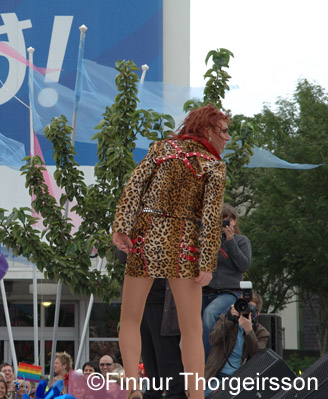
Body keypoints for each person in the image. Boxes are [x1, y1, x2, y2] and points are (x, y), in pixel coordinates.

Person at [113, 104, 230, 399]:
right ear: (207, 130)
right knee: (191, 329)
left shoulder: (161, 148)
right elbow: (211, 217)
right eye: (224, 131)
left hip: (147, 235)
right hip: (183, 242)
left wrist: (121, 226)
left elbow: (134, 185)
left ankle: (133, 390)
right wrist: (206, 261)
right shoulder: (214, 166)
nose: (227, 138)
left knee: (129, 319)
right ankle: (196, 396)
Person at [202, 203, 252, 359]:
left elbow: (243, 265)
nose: (225, 225)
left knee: (210, 314)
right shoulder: (210, 241)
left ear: (235, 221)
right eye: (221, 221)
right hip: (207, 290)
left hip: (230, 291)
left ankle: (208, 361)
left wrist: (231, 242)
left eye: (228, 221)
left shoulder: (242, 241)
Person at [204, 293, 269, 397]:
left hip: (238, 380)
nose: (245, 310)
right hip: (216, 376)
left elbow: (258, 357)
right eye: (243, 306)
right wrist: (229, 320)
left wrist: (248, 331)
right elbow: (213, 339)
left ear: (257, 313)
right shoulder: (226, 319)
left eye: (249, 308)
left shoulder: (261, 332)